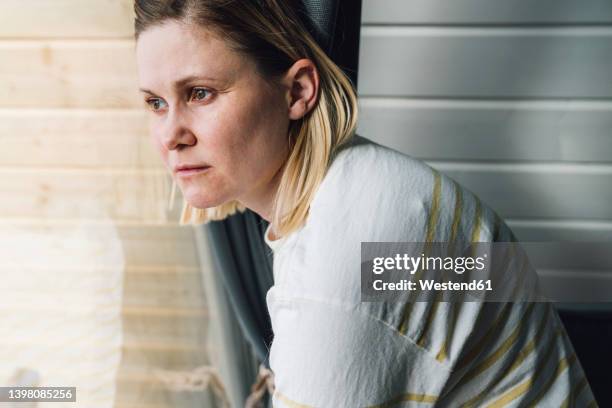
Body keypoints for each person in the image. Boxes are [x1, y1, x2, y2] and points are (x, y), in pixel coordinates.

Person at [134, 0, 597, 406]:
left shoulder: (343, 264)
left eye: (200, 93)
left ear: (297, 91)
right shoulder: (364, 185)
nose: (171, 135)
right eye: (156, 103)